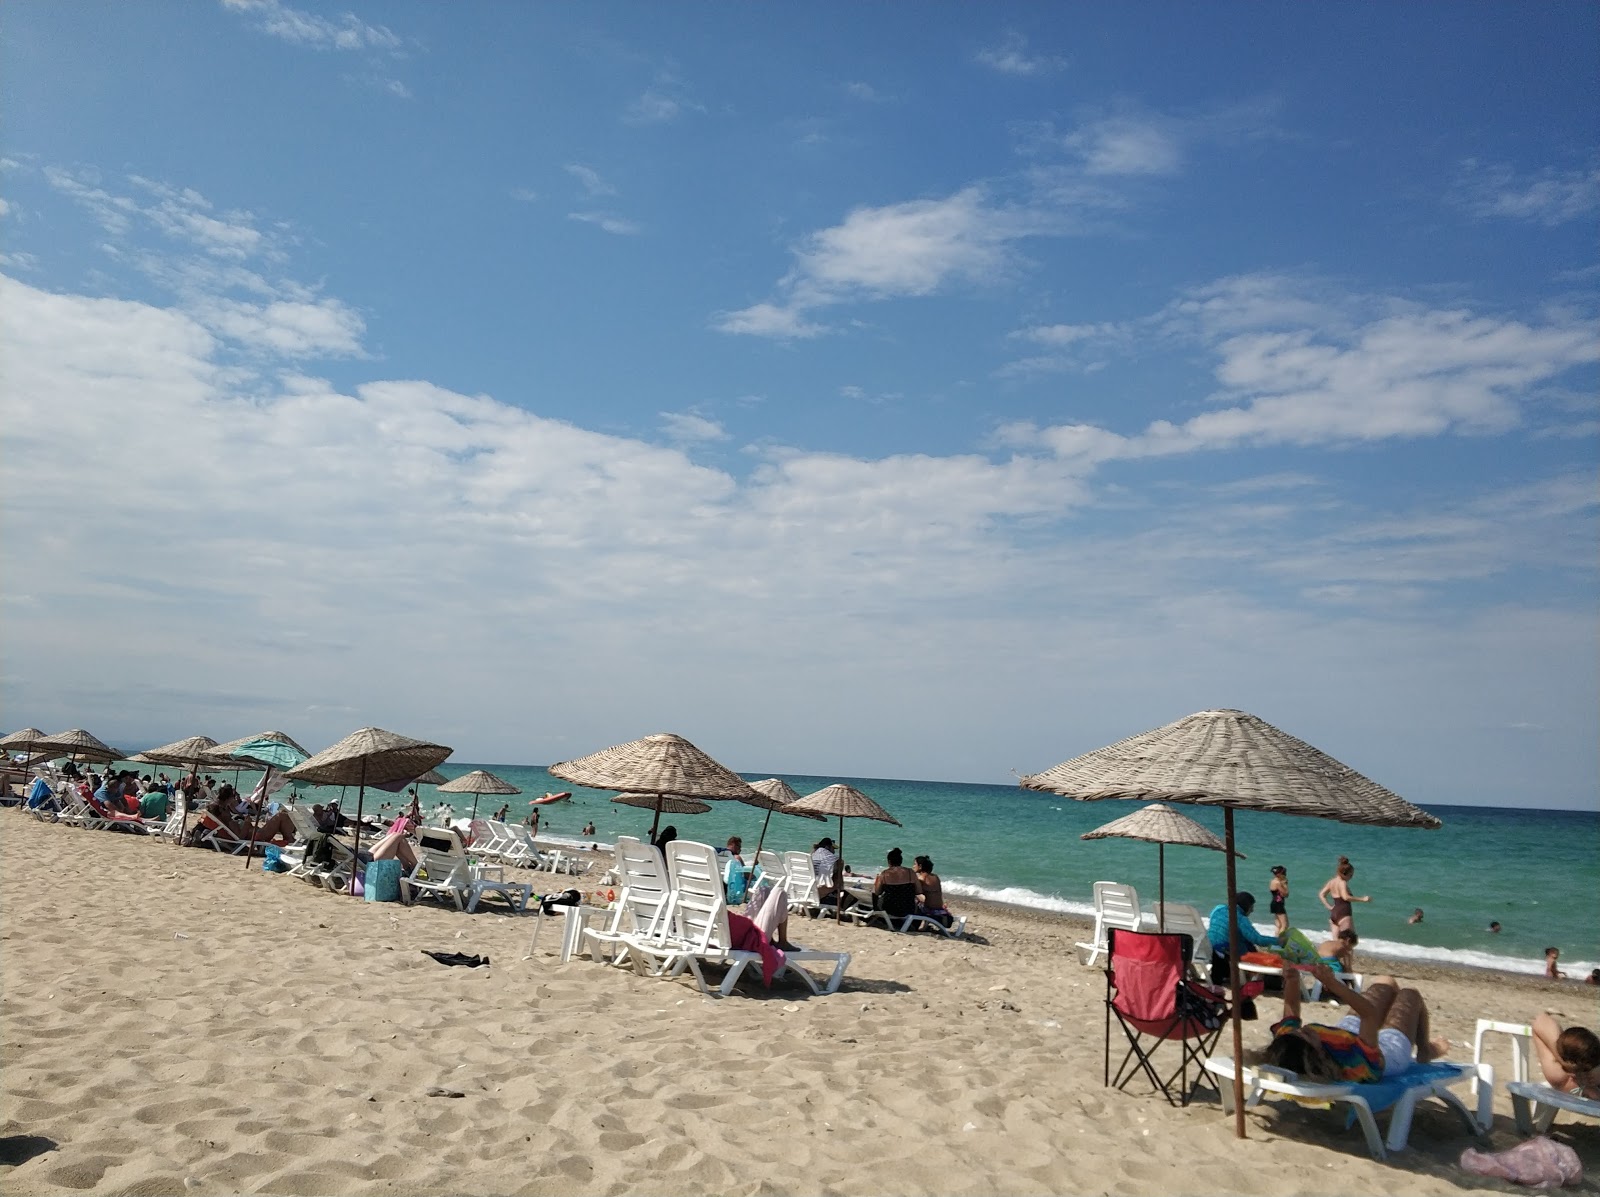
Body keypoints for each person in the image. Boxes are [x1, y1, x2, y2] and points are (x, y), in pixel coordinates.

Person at [1263, 962, 1449, 1084]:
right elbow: (1369, 1015)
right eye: (1306, 1035)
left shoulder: (1288, 1043)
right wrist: (1333, 983)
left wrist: (1292, 980)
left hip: (1345, 1031)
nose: (1302, 1030)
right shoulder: (1354, 1060)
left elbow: (1291, 1012)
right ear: (1317, 1052)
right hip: (1388, 1052)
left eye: (1298, 1031)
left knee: (1386, 981)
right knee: (1410, 994)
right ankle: (1425, 1050)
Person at [1531, 1015, 1600, 1099]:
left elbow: (1541, 1021)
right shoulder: (1561, 1074)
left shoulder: (1560, 1075)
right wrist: (1565, 1063)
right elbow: (1541, 1021)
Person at [1318, 856, 1369, 937]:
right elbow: (1346, 897)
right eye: (1351, 875)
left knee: (1336, 942)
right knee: (1349, 942)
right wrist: (1363, 899)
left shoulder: (1332, 882)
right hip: (1344, 914)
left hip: (1334, 913)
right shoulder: (1342, 883)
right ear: (1345, 874)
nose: (1351, 878)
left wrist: (1329, 907)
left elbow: (1321, 894)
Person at [871, 848, 922, 923]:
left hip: (889, 909)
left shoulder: (884, 874)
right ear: (901, 861)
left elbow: (877, 892)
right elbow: (919, 891)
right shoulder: (910, 872)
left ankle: (876, 913)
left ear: (889, 861)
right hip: (908, 908)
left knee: (874, 894)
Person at [913, 855, 954, 929]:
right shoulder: (936, 877)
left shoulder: (921, 878)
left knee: (915, 899)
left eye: (915, 864)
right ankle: (924, 925)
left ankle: (915, 925)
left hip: (931, 912)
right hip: (940, 909)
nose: (913, 866)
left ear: (920, 866)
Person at [811, 836, 851, 910]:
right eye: (833, 848)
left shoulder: (811, 856)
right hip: (820, 892)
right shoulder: (836, 860)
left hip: (807, 892)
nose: (834, 851)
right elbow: (839, 883)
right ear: (827, 847)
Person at [1268, 865, 1290, 937]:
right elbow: (1285, 894)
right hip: (1278, 904)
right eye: (1284, 873)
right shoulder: (1278, 883)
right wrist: (1285, 885)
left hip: (1274, 903)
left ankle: (1276, 940)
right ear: (1280, 874)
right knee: (1285, 925)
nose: (1285, 875)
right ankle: (1280, 942)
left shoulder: (1272, 881)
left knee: (1278, 925)